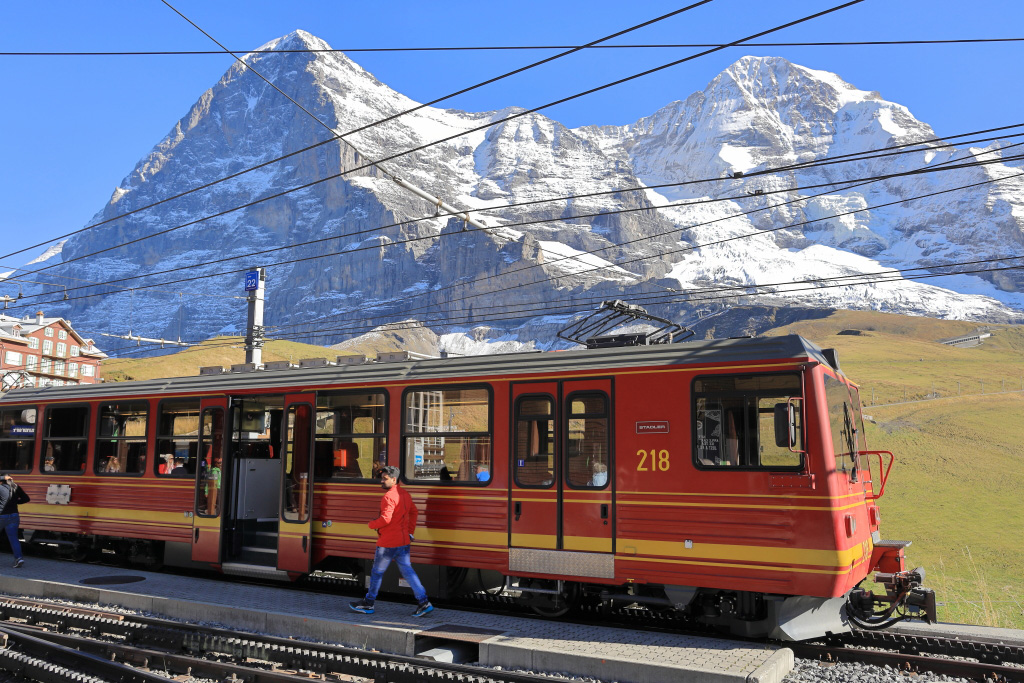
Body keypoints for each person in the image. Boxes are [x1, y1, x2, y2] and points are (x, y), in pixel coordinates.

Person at [349, 466, 433, 617]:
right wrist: (410, 532)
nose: (382, 481)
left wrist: (371, 524)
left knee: (377, 573)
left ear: (394, 479)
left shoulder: (388, 497)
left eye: (385, 478)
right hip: (403, 542)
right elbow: (415, 512)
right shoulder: (405, 494)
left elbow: (386, 519)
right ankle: (424, 602)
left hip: (387, 543)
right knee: (408, 571)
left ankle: (368, 604)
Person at [0, 474, 30, 568]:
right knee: (13, 538)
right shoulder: (16, 487)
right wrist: (15, 502)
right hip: (14, 516)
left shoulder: (0, 488)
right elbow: (26, 499)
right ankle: (19, 558)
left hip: (1, 516)